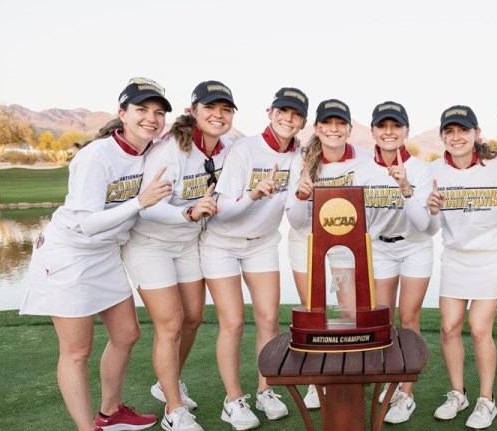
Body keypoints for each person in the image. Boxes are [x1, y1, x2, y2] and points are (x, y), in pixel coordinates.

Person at [19, 77, 173, 431]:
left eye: (158, 112)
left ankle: (110, 412)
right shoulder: (95, 157)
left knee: (126, 334)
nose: (151, 118)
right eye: (142, 110)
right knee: (77, 351)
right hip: (69, 254)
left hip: (105, 254)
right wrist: (140, 201)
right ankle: (87, 428)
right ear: (122, 113)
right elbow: (88, 224)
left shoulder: (151, 150)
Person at [121, 80, 237, 431]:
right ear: (193, 111)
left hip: (187, 243)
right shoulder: (170, 149)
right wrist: (188, 213)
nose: (218, 115)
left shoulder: (226, 148)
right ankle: (173, 410)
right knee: (170, 323)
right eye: (210, 108)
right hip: (150, 242)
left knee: (193, 318)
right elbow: (146, 206)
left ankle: (165, 382)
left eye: (226, 109)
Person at [201, 87, 309, 429]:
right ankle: (232, 400)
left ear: (303, 121)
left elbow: (294, 215)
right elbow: (222, 214)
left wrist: (304, 196)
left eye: (295, 114)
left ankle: (266, 390)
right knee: (232, 322)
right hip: (221, 243)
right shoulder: (245, 148)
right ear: (270, 112)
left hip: (262, 243)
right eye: (282, 111)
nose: (288, 119)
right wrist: (253, 193)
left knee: (268, 320)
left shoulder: (299, 155)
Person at [412, 105, 497, 430]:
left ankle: (487, 400)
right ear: (442, 136)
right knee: (449, 327)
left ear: (476, 133)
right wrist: (430, 211)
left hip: (493, 256)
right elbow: (430, 229)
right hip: (455, 258)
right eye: (449, 131)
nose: (456, 137)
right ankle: (458, 394)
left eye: (463, 130)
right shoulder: (433, 171)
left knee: (480, 328)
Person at [285, 98, 373, 408]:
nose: (333, 129)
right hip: (307, 245)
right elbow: (294, 220)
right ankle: (314, 383)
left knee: (350, 315)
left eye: (340, 123)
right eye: (327, 123)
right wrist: (300, 194)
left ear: (349, 128)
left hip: (346, 248)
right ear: (317, 127)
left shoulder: (365, 158)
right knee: (314, 315)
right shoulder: (301, 160)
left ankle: (349, 377)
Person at [359, 101, 434, 424]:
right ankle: (388, 377)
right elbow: (357, 218)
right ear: (374, 131)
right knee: (383, 319)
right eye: (382, 126)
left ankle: (406, 393)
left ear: (406, 131)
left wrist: (405, 186)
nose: (389, 132)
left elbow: (424, 224)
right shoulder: (362, 170)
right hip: (380, 249)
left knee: (409, 316)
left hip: (416, 247)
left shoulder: (420, 169)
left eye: (396, 126)